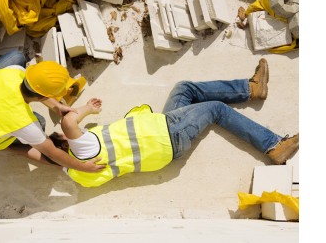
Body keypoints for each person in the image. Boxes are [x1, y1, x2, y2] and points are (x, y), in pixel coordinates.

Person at [57, 58, 299, 187]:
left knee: (184, 89)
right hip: (168, 134)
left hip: (163, 135)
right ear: (67, 146)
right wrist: (86, 109)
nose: (67, 134)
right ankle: (273, 145)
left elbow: (46, 153)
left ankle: (251, 88)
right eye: (62, 138)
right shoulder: (85, 149)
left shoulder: (78, 175)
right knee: (216, 109)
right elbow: (69, 121)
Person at [0, 50, 105, 173]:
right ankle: (7, 145)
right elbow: (52, 153)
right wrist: (83, 167)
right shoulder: (25, 123)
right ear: (43, 97)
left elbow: (34, 88)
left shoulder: (14, 72)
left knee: (16, 56)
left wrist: (56, 106)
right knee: (41, 123)